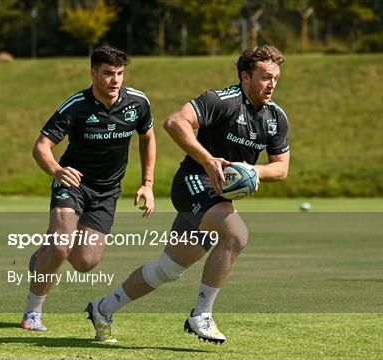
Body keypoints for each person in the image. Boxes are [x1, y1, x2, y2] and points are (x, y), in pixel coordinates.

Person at [86, 44, 289, 344]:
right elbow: (175, 122)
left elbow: (281, 168)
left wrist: (252, 171)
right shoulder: (220, 100)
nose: (272, 84)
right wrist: (208, 161)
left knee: (168, 269)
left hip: (219, 196)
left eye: (276, 78)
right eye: (265, 77)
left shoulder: (275, 118)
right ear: (245, 77)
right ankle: (201, 315)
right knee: (236, 236)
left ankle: (103, 308)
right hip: (192, 183)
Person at [21, 45, 156, 331]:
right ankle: (33, 312)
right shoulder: (76, 106)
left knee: (85, 261)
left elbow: (147, 138)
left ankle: (44, 253)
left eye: (119, 73)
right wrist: (57, 170)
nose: (115, 80)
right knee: (60, 245)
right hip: (73, 182)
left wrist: (147, 184)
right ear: (93, 73)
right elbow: (41, 147)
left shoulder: (138, 103)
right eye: (108, 73)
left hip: (107, 192)